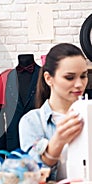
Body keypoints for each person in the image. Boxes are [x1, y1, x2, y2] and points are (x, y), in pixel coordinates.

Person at [19, 43, 87, 181]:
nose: (79, 84)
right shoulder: (32, 122)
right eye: (69, 77)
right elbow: (33, 177)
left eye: (84, 76)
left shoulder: (88, 115)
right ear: (49, 78)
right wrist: (58, 141)